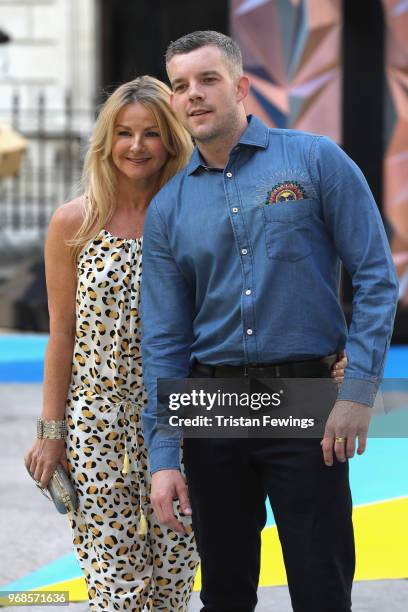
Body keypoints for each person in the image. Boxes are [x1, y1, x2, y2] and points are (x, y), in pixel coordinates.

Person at [140, 31, 399, 612]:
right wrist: (163, 458)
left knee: (321, 585)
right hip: (210, 401)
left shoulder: (314, 159)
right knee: (225, 592)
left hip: (306, 395)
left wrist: (358, 393)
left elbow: (377, 277)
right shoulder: (169, 207)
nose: (194, 96)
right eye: (180, 86)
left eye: (207, 80)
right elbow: (163, 338)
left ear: (241, 86)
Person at [24, 76, 199, 612]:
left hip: (182, 423)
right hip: (95, 426)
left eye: (151, 133)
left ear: (171, 139)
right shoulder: (73, 222)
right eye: (124, 133)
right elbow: (62, 334)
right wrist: (51, 434)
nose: (137, 146)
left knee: (171, 584)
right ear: (106, 141)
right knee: (116, 590)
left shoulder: (194, 216)